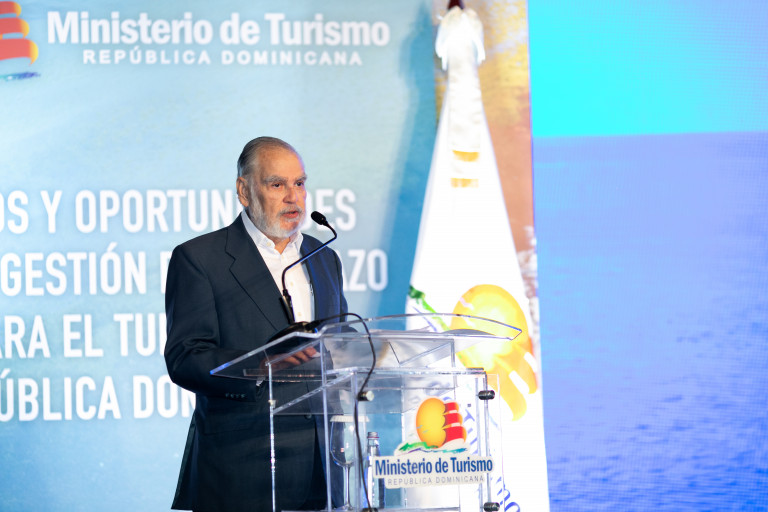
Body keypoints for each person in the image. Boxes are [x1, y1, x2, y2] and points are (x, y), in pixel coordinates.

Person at [164, 136, 347, 511]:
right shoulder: (200, 259)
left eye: (299, 183)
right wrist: (261, 365)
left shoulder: (322, 256)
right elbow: (185, 358)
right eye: (277, 184)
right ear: (244, 191)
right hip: (242, 467)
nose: (293, 197)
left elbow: (340, 343)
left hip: (323, 469)